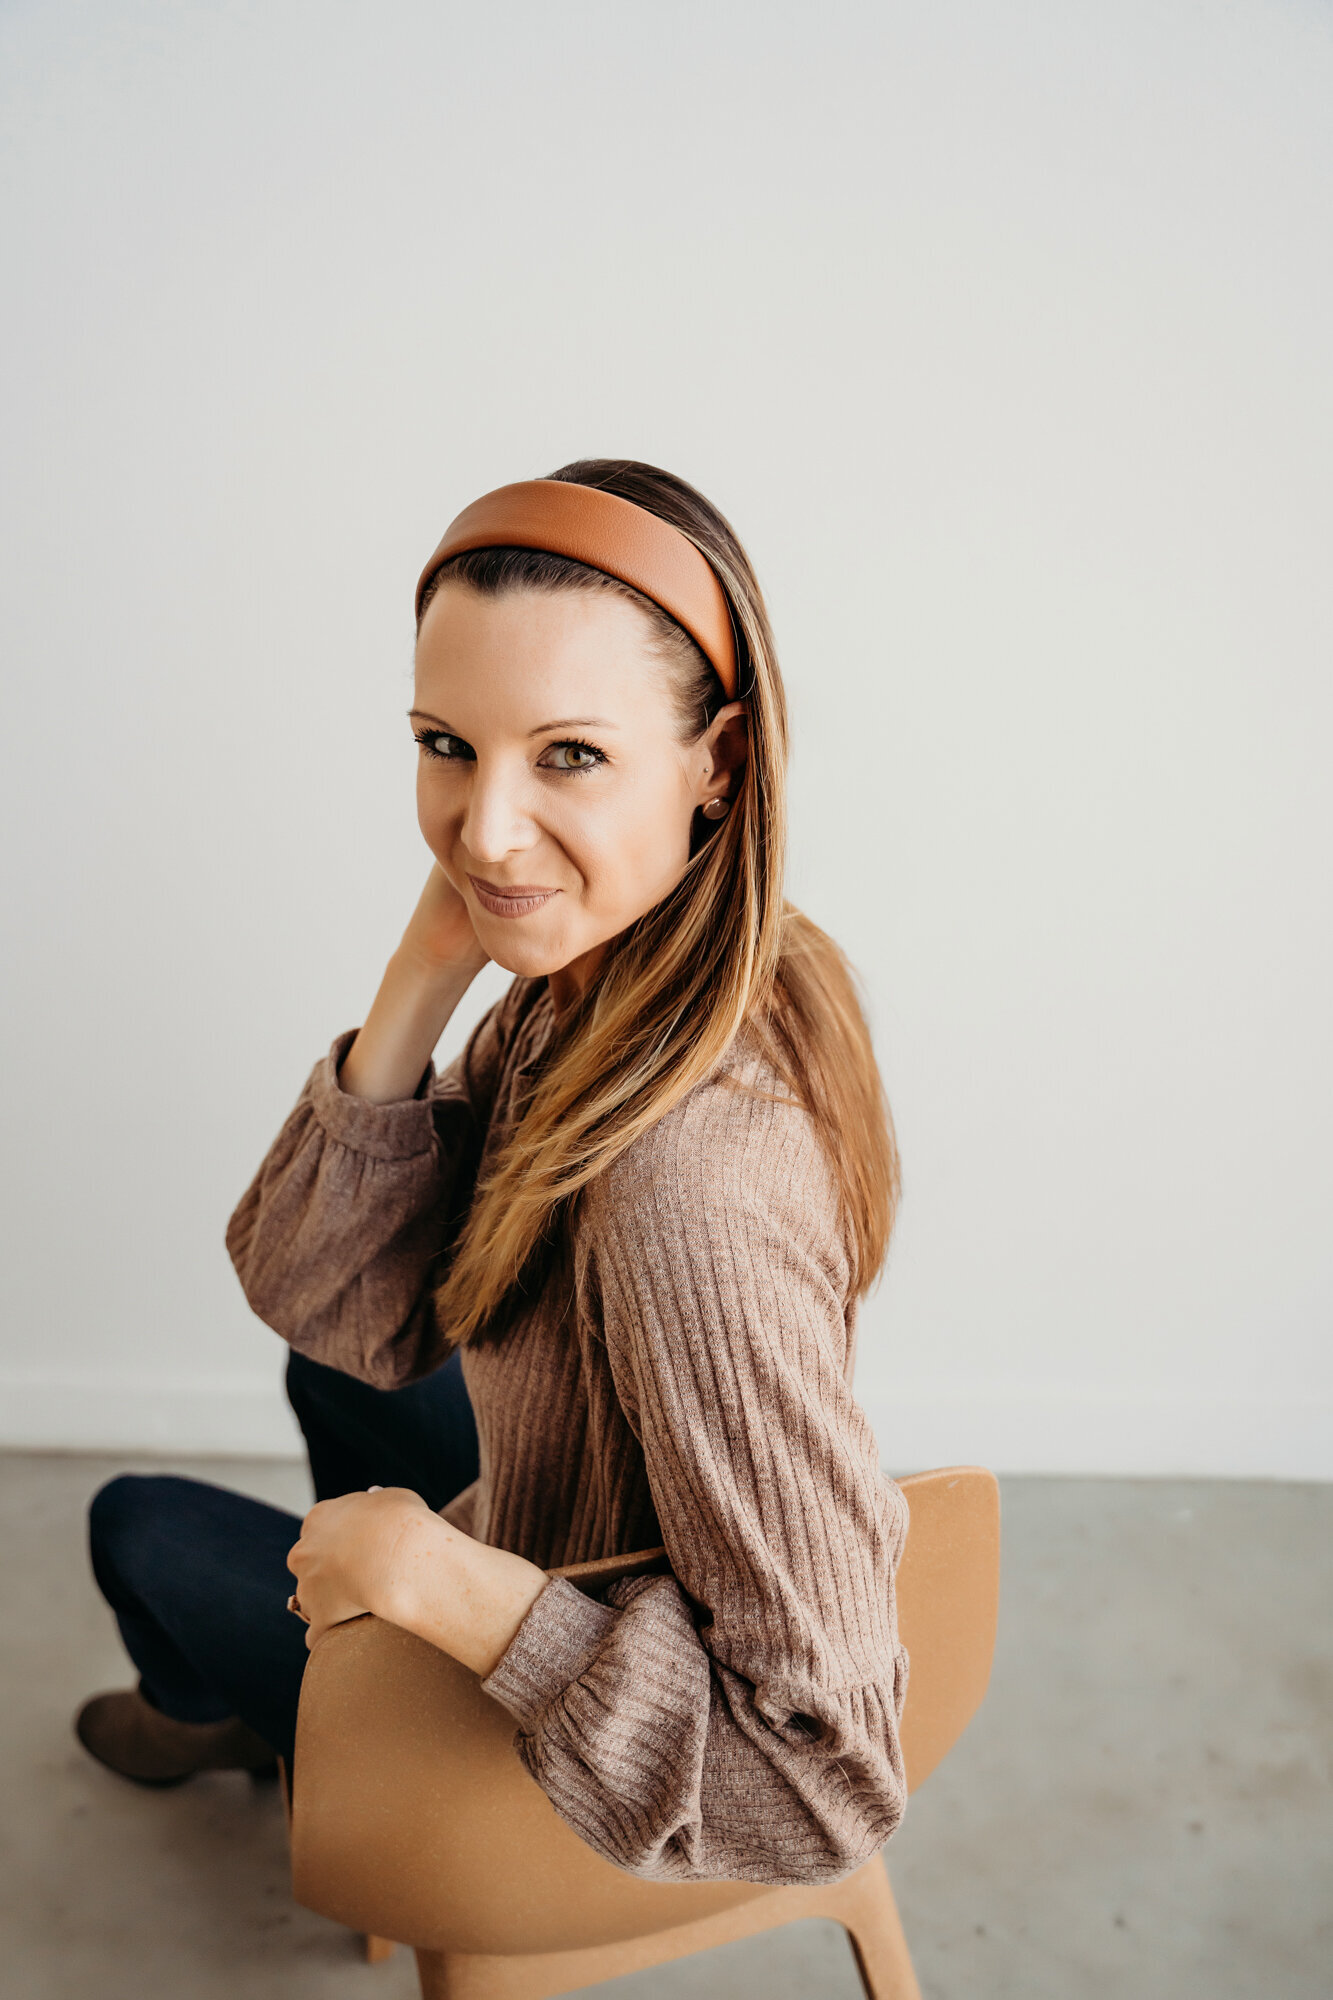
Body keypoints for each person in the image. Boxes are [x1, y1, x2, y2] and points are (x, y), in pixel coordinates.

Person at [75, 459, 912, 1887]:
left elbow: (819, 1790)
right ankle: (314, 1690)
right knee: (336, 1368)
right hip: (585, 1538)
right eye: (446, 745)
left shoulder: (686, 1184)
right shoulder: (648, 972)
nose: (485, 830)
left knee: (136, 1526)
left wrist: (448, 1593)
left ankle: (248, 1724)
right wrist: (424, 969)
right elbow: (326, 1299)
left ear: (716, 759)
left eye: (569, 755)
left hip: (570, 1766)